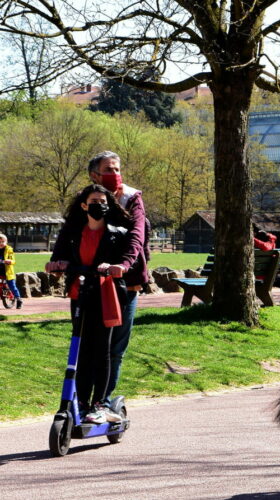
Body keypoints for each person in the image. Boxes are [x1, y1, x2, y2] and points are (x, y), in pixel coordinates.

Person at [46, 184, 135, 424]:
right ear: (84, 205)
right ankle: (83, 401)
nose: (99, 205)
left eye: (103, 201)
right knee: (81, 349)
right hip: (80, 292)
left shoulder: (118, 233)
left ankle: (101, 403)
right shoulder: (73, 233)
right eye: (94, 201)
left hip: (106, 293)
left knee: (102, 350)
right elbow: (59, 258)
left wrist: (118, 267)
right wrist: (55, 266)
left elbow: (128, 259)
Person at [87, 151, 150, 402]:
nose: (115, 175)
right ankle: (83, 399)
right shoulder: (89, 198)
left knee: (114, 349)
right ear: (94, 175)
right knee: (89, 346)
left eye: (117, 169)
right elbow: (73, 232)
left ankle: (102, 400)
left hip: (126, 281)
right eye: (109, 170)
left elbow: (137, 236)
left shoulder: (131, 198)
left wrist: (124, 264)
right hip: (93, 281)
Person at [0, 233, 22, 309]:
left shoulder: (9, 249)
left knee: (12, 286)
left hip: (8, 272)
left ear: (6, 242)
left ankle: (18, 299)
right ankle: (3, 294)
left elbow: (13, 260)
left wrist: (8, 261)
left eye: (3, 242)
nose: (1, 243)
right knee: (1, 285)